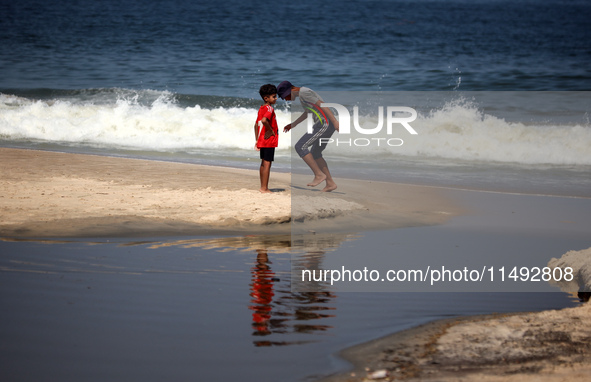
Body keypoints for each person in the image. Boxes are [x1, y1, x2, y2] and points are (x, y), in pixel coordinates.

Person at [277, 81, 339, 192]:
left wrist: (335, 121)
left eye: (285, 96)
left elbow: (322, 105)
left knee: (300, 146)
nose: (286, 99)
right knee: (316, 153)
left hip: (325, 123)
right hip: (325, 124)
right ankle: (330, 183)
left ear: (290, 90)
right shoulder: (303, 95)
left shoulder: (304, 93)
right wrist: (293, 124)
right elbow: (308, 112)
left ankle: (319, 175)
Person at [254, 84, 279, 193]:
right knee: (267, 163)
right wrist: (270, 130)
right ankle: (264, 188)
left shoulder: (261, 108)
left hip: (262, 139)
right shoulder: (269, 108)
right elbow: (264, 121)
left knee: (263, 163)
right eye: (274, 96)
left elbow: (256, 125)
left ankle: (262, 186)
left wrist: (257, 140)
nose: (276, 98)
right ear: (266, 98)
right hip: (269, 140)